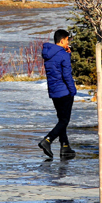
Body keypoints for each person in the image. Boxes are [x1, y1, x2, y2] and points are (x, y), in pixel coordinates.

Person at [39, 29, 77, 159]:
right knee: (64, 121)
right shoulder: (63, 55)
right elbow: (67, 75)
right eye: (67, 40)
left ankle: (65, 147)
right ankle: (48, 140)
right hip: (64, 91)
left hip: (54, 91)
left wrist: (67, 55)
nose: (68, 42)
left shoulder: (49, 53)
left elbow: (56, 67)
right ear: (62, 40)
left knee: (61, 120)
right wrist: (73, 91)